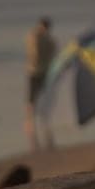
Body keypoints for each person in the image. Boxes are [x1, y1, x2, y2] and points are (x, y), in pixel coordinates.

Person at [24, 17, 57, 150]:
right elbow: (35, 54)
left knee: (40, 98)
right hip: (35, 72)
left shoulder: (44, 39)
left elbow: (50, 54)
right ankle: (30, 122)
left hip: (40, 72)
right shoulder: (37, 37)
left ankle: (39, 121)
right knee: (32, 98)